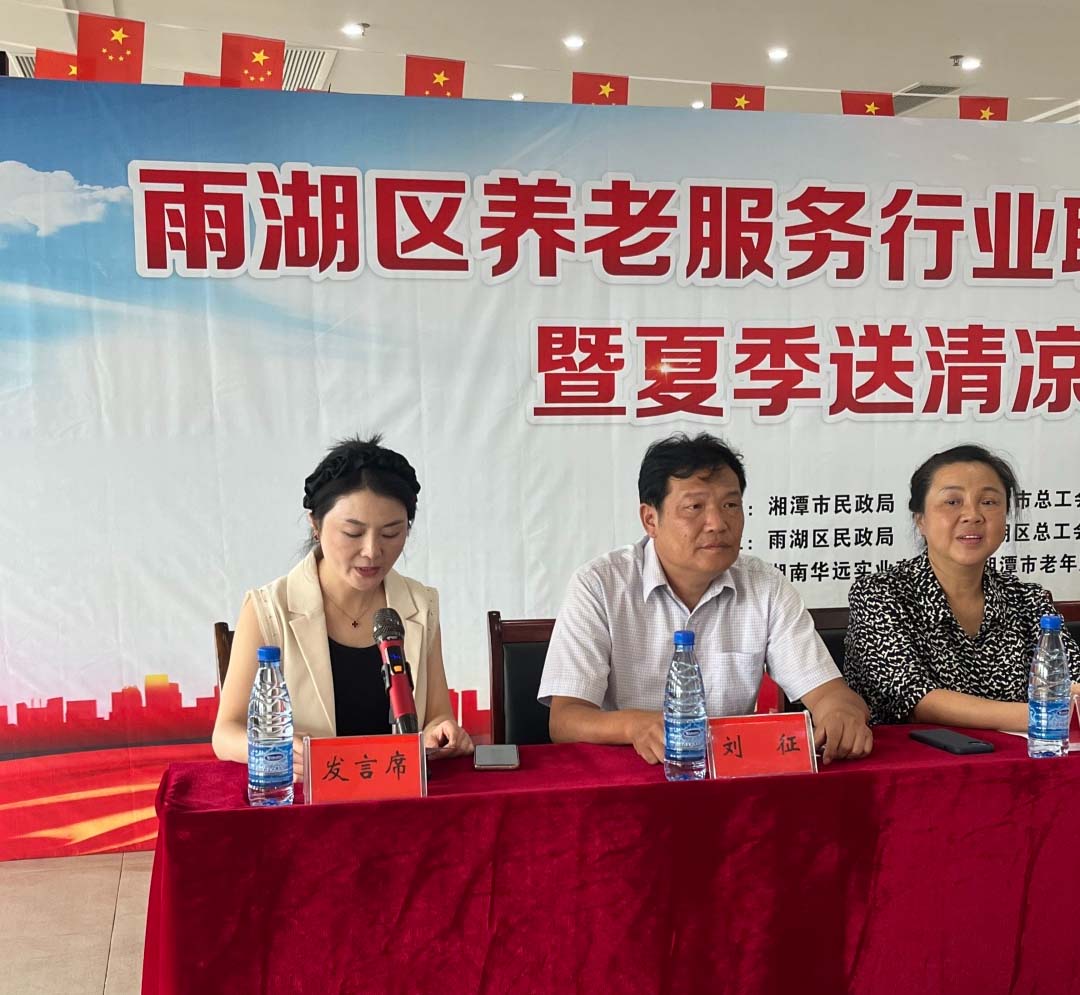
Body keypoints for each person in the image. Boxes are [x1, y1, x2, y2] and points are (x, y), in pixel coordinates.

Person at [537, 433, 873, 765]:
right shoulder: (600, 585)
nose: (717, 523)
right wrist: (634, 726)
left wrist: (841, 714)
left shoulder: (765, 586)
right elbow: (565, 719)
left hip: (730, 776)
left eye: (730, 505)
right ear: (651, 519)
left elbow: (829, 692)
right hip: (629, 774)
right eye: (694, 507)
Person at [213, 435, 473, 778]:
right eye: (353, 533)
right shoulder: (270, 609)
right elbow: (226, 733)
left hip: (398, 791)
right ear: (316, 525)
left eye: (391, 533)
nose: (372, 551)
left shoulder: (420, 605)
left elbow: (437, 715)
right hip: (310, 796)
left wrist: (443, 731)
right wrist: (277, 748)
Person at [844, 444, 1080, 729]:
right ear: (920, 519)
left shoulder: (1028, 599)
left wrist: (1069, 700)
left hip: (1026, 752)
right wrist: (1046, 715)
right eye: (953, 502)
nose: (973, 515)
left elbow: (1071, 681)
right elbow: (915, 700)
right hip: (917, 755)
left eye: (989, 502)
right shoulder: (880, 594)